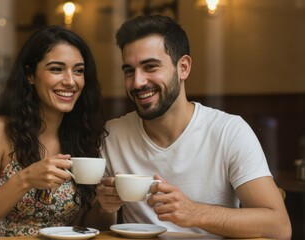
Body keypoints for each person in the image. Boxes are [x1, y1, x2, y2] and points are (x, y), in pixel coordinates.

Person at [96, 15, 292, 239]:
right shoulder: (112, 135)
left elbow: (279, 227)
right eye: (129, 71)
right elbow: (97, 228)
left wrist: (194, 212)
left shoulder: (228, 131)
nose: (138, 82)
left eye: (150, 67)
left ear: (183, 68)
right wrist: (105, 207)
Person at [0, 25, 107, 238]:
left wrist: (105, 207)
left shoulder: (83, 137)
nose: (70, 81)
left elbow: (83, 225)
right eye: (56, 69)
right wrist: (24, 180)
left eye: (78, 70)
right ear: (30, 75)